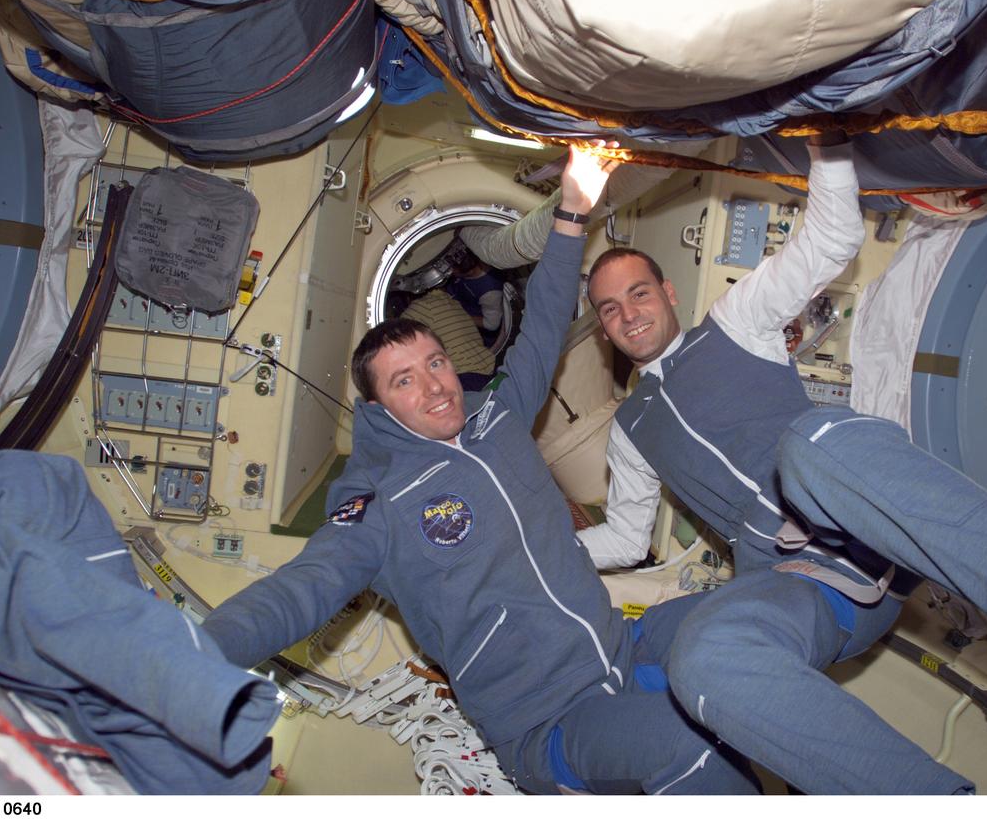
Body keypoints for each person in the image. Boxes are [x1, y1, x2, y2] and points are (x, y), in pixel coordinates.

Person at [577, 135, 987, 793]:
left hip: (852, 506)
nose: (628, 315)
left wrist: (824, 134)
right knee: (702, 655)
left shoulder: (736, 321)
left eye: (637, 293)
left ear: (666, 290)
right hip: (799, 583)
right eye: (610, 309)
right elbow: (627, 538)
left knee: (811, 442)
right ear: (604, 328)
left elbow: (833, 235)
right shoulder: (630, 430)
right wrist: (546, 547)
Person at [201, 144, 761, 795]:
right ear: (378, 405)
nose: (435, 386)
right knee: (686, 748)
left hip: (618, 647)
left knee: (735, 644)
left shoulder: (496, 417)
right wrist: (197, 656)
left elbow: (546, 322)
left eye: (436, 363)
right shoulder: (377, 502)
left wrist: (574, 214)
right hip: (548, 719)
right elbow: (303, 587)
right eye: (405, 380)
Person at [396, 288, 497, 390]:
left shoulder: (419, 308)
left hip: (465, 374)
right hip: (488, 367)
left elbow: (395, 340)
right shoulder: (448, 300)